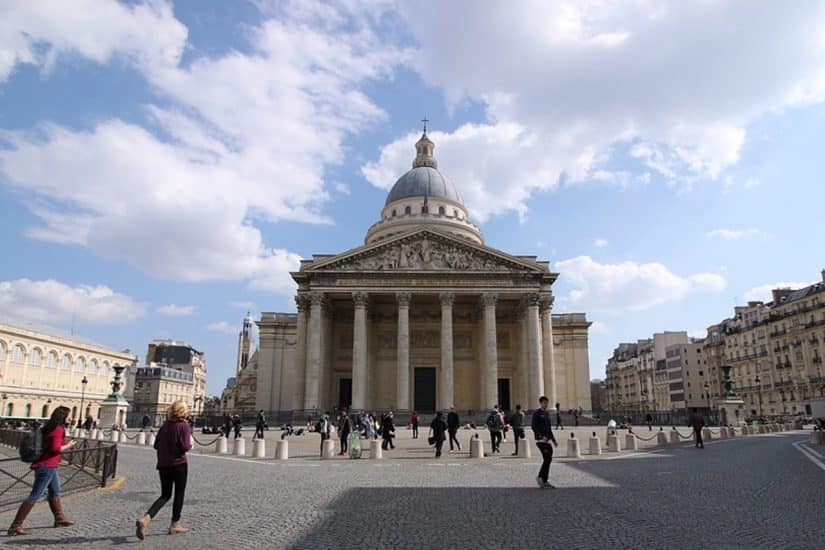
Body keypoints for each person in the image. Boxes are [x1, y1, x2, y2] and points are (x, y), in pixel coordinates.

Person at [7, 406, 77, 536]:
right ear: (63, 417)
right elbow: (56, 449)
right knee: (35, 495)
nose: (71, 418)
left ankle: (59, 518)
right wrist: (69, 445)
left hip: (49, 465)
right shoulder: (58, 429)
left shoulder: (49, 427)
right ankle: (15, 525)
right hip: (47, 466)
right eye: (69, 415)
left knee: (55, 491)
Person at [136, 401, 192, 539]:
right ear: (182, 411)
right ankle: (175, 524)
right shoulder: (183, 425)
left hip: (163, 465)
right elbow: (185, 446)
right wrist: (188, 445)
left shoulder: (165, 426)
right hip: (179, 464)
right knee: (179, 494)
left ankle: (146, 519)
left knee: (165, 495)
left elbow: (156, 445)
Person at [531, 396, 559, 489]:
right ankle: (541, 478)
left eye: (547, 403)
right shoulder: (537, 413)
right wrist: (540, 436)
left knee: (548, 459)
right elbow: (534, 426)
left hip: (547, 440)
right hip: (540, 440)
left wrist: (554, 440)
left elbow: (549, 428)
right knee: (547, 458)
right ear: (540, 403)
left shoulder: (547, 414)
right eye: (544, 403)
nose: (546, 404)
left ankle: (544, 479)